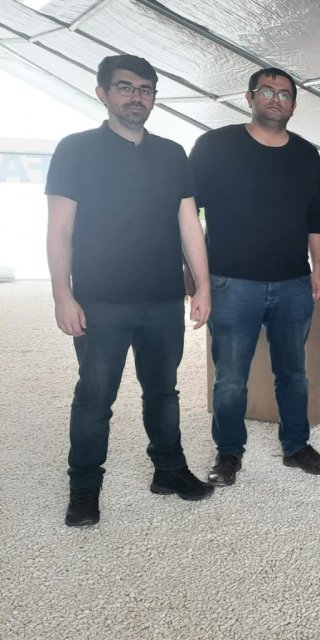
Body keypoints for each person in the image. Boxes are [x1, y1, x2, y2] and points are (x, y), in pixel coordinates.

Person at [46, 54, 215, 527]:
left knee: (163, 391)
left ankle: (169, 470)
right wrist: (63, 294)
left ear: (154, 98)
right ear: (103, 94)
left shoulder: (171, 153)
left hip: (162, 298)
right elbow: (59, 228)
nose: (135, 96)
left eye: (145, 89)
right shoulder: (75, 149)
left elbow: (189, 224)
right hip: (99, 299)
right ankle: (84, 487)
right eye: (125, 87)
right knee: (95, 397)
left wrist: (202, 286)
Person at [189, 68, 320, 485]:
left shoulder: (306, 153)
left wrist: (318, 271)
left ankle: (296, 445)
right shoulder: (215, 146)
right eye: (267, 91)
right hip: (232, 283)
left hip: (292, 283)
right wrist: (197, 278)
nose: (275, 99)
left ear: (293, 104)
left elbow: (315, 216)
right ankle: (229, 452)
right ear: (249, 97)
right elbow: (186, 212)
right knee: (231, 377)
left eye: (284, 94)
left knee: (294, 373)